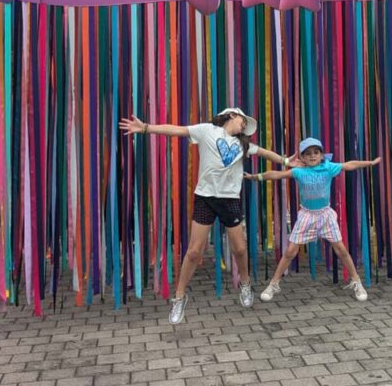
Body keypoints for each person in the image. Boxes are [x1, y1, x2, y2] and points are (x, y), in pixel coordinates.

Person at [119, 107, 294, 324]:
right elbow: (177, 130)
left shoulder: (243, 144)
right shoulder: (206, 130)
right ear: (232, 115)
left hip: (230, 200)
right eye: (243, 121)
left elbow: (265, 153)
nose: (244, 127)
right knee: (194, 252)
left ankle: (245, 283)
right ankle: (179, 297)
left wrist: (286, 161)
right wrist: (146, 128)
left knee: (240, 249)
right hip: (205, 198)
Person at [246, 137, 380, 303]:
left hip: (325, 215)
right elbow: (277, 175)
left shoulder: (329, 168)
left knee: (341, 250)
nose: (312, 156)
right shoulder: (299, 171)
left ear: (322, 155)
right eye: (308, 153)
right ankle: (273, 284)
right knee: (290, 252)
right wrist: (254, 177)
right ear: (302, 157)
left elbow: (349, 165)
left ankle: (356, 281)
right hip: (306, 215)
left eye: (316, 152)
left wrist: (370, 163)